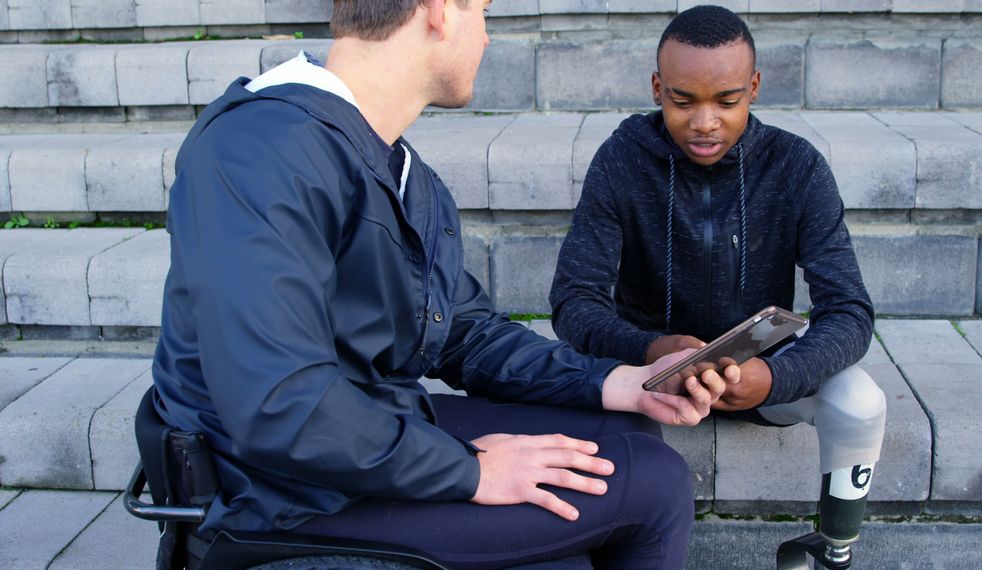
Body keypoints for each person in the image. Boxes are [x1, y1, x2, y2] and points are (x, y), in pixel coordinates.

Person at [150, 0, 726, 568]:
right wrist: (470, 468)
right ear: (439, 10)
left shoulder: (391, 164)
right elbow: (279, 405)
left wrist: (620, 381)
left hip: (362, 431)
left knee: (626, 425)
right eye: (482, 11)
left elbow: (464, 333)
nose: (486, 38)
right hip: (277, 493)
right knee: (652, 485)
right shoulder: (261, 148)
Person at [549, 4, 888, 559]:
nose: (705, 122)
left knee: (862, 400)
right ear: (657, 88)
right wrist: (653, 350)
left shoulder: (797, 167)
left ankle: (833, 551)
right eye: (683, 100)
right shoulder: (620, 161)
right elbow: (573, 301)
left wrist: (775, 378)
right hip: (646, 375)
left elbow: (849, 310)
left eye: (727, 101)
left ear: (754, 88)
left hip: (759, 371)